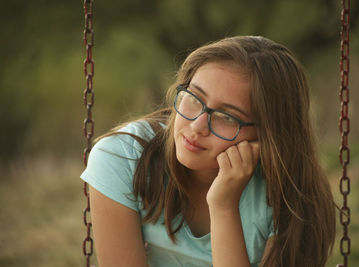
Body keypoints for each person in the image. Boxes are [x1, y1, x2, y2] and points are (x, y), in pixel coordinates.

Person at [80, 36, 336, 267]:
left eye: (226, 116)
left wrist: (224, 207)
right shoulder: (123, 159)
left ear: (268, 135)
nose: (197, 126)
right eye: (194, 98)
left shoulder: (291, 198)